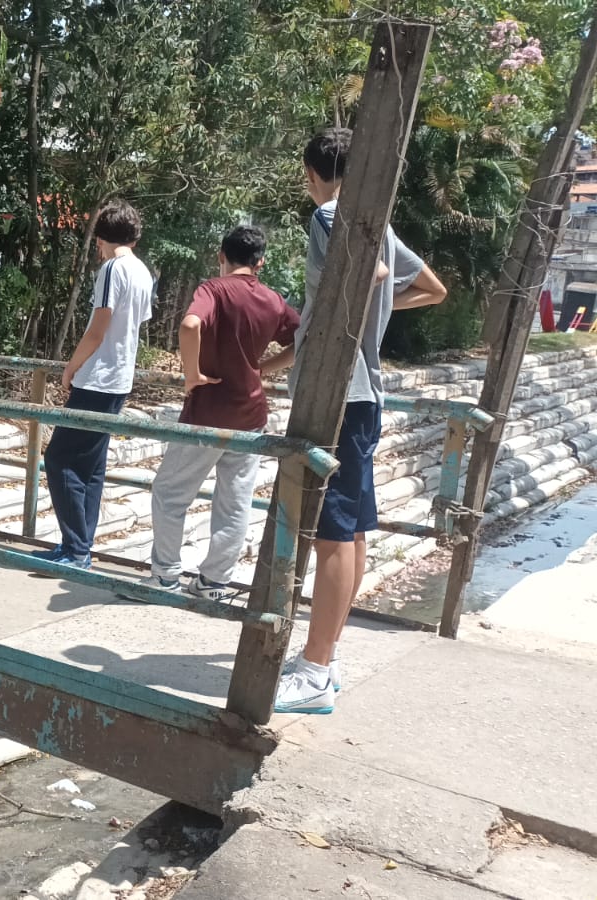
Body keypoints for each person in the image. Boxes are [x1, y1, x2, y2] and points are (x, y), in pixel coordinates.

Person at [274, 128, 447, 715]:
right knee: (350, 532)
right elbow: (431, 288)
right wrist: (380, 302)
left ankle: (315, 672)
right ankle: (327, 655)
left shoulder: (331, 214)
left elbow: (369, 275)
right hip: (366, 394)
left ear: (313, 173)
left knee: (330, 531)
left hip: (338, 395)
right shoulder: (381, 224)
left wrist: (369, 290)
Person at [145, 226, 299, 601]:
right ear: (261, 263)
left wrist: (191, 374)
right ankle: (214, 582)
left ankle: (165, 575)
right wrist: (263, 369)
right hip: (251, 414)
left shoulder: (213, 290)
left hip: (207, 411)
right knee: (235, 502)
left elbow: (190, 325)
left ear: (221, 256)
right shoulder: (273, 300)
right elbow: (303, 341)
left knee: (169, 492)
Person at [34, 200, 155, 570]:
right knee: (91, 465)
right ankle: (78, 545)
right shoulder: (142, 271)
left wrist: (71, 367)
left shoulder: (112, 269)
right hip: (119, 379)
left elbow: (98, 329)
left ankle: (76, 549)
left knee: (59, 458)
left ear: (102, 237)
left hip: (98, 378)